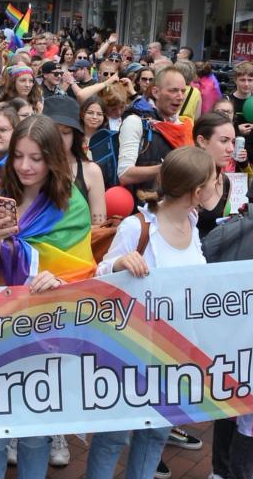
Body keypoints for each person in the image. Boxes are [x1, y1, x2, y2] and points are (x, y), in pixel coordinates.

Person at [0, 115, 96, 479]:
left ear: (53, 159)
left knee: (35, 431)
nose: (25, 166)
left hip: (47, 329)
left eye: (36, 158)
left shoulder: (71, 206)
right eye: (18, 156)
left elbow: (81, 270)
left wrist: (56, 278)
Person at [92, 146, 219, 479]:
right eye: (212, 179)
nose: (216, 184)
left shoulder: (191, 221)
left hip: (175, 352)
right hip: (130, 351)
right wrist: (118, 263)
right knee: (114, 436)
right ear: (195, 191)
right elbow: (99, 277)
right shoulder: (138, 227)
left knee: (156, 434)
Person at [117, 66, 194, 193]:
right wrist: (168, 168)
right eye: (174, 91)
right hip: (145, 207)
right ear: (156, 92)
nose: (180, 97)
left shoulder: (183, 125)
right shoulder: (135, 121)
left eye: (183, 91)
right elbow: (124, 174)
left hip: (176, 205)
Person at [44, 96, 107, 227]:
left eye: (66, 133)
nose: (59, 139)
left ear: (75, 135)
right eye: (53, 131)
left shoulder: (91, 171)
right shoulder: (30, 167)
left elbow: (99, 226)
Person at [194, 112, 238, 237]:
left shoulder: (225, 182)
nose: (231, 148)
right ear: (202, 141)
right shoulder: (185, 179)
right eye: (224, 141)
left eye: (233, 142)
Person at [226, 62, 253, 137]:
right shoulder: (227, 101)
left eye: (250, 80)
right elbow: (218, 127)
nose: (246, 84)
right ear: (235, 80)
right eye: (242, 80)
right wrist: (236, 129)